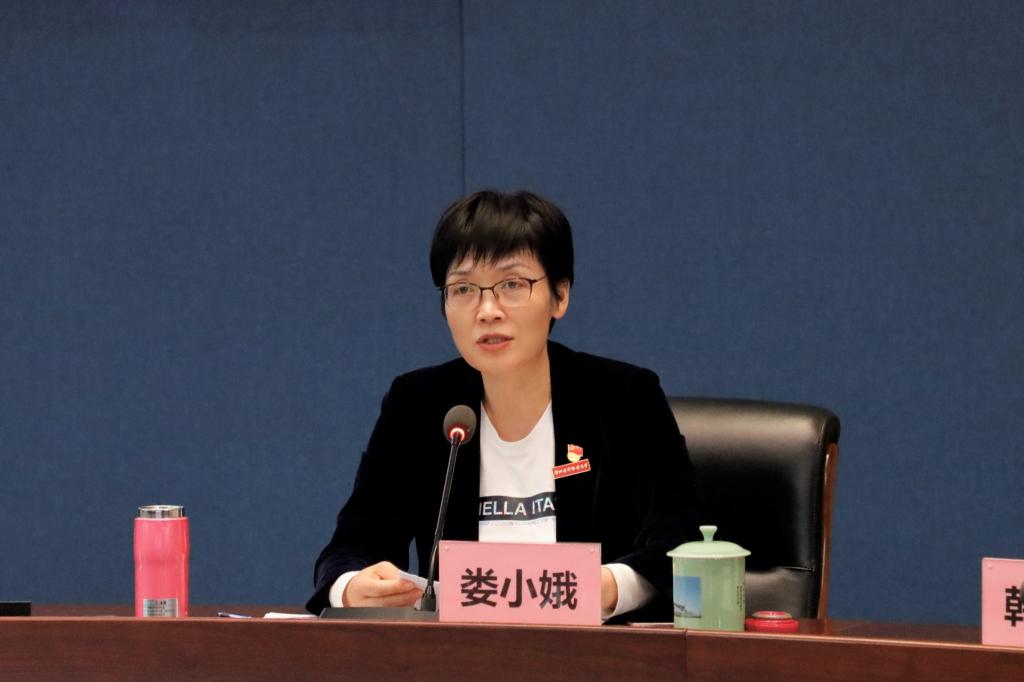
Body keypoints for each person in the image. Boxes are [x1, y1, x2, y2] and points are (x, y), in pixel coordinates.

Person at [306, 189, 708, 620]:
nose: (487, 310)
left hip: (596, 648)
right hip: (461, 651)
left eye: (512, 284)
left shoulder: (623, 398)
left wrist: (609, 586)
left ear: (560, 295)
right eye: (463, 289)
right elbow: (351, 546)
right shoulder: (419, 404)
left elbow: (682, 539)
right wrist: (351, 587)